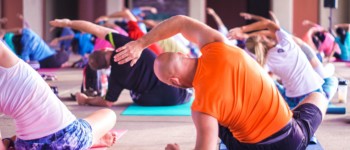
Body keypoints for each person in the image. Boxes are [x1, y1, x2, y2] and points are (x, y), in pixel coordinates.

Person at [112, 15, 328, 150]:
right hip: (292, 139)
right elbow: (181, 22)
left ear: (174, 81)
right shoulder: (218, 45)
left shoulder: (201, 109)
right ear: (183, 54)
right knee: (318, 96)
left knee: (216, 123)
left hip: (250, 147)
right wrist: (140, 44)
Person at [0, 40, 117, 149]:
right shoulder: (9, 63)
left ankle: (89, 138)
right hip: (67, 139)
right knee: (109, 115)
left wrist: (7, 142)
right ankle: (91, 139)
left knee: (23, 134)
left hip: (26, 147)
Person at [50, 19, 192, 107]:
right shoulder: (124, 44)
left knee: (134, 94)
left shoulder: (115, 79)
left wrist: (86, 100)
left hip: (159, 100)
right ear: (106, 48)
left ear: (105, 68)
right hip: (182, 92)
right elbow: (95, 28)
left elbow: (107, 102)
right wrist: (68, 23)